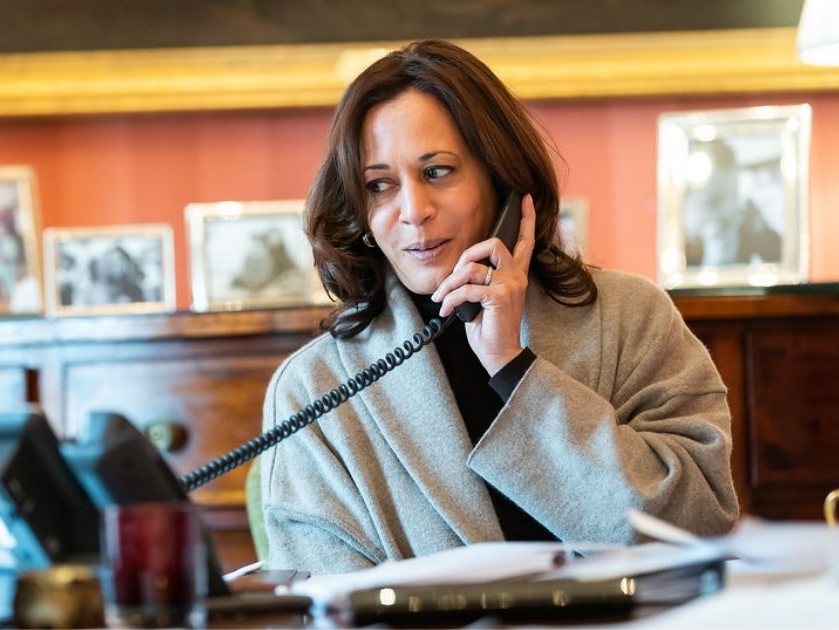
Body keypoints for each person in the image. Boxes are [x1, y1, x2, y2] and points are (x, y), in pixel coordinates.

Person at [259, 40, 739, 574]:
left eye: (438, 171)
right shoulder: (314, 388)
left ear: (501, 180)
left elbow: (698, 526)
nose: (413, 211)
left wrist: (515, 372)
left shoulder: (631, 316)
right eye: (380, 185)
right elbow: (326, 600)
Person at [682, 139, 782, 267]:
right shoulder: (678, 253)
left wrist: (761, 231)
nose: (728, 210)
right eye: (714, 202)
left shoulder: (751, 229)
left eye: (733, 197)